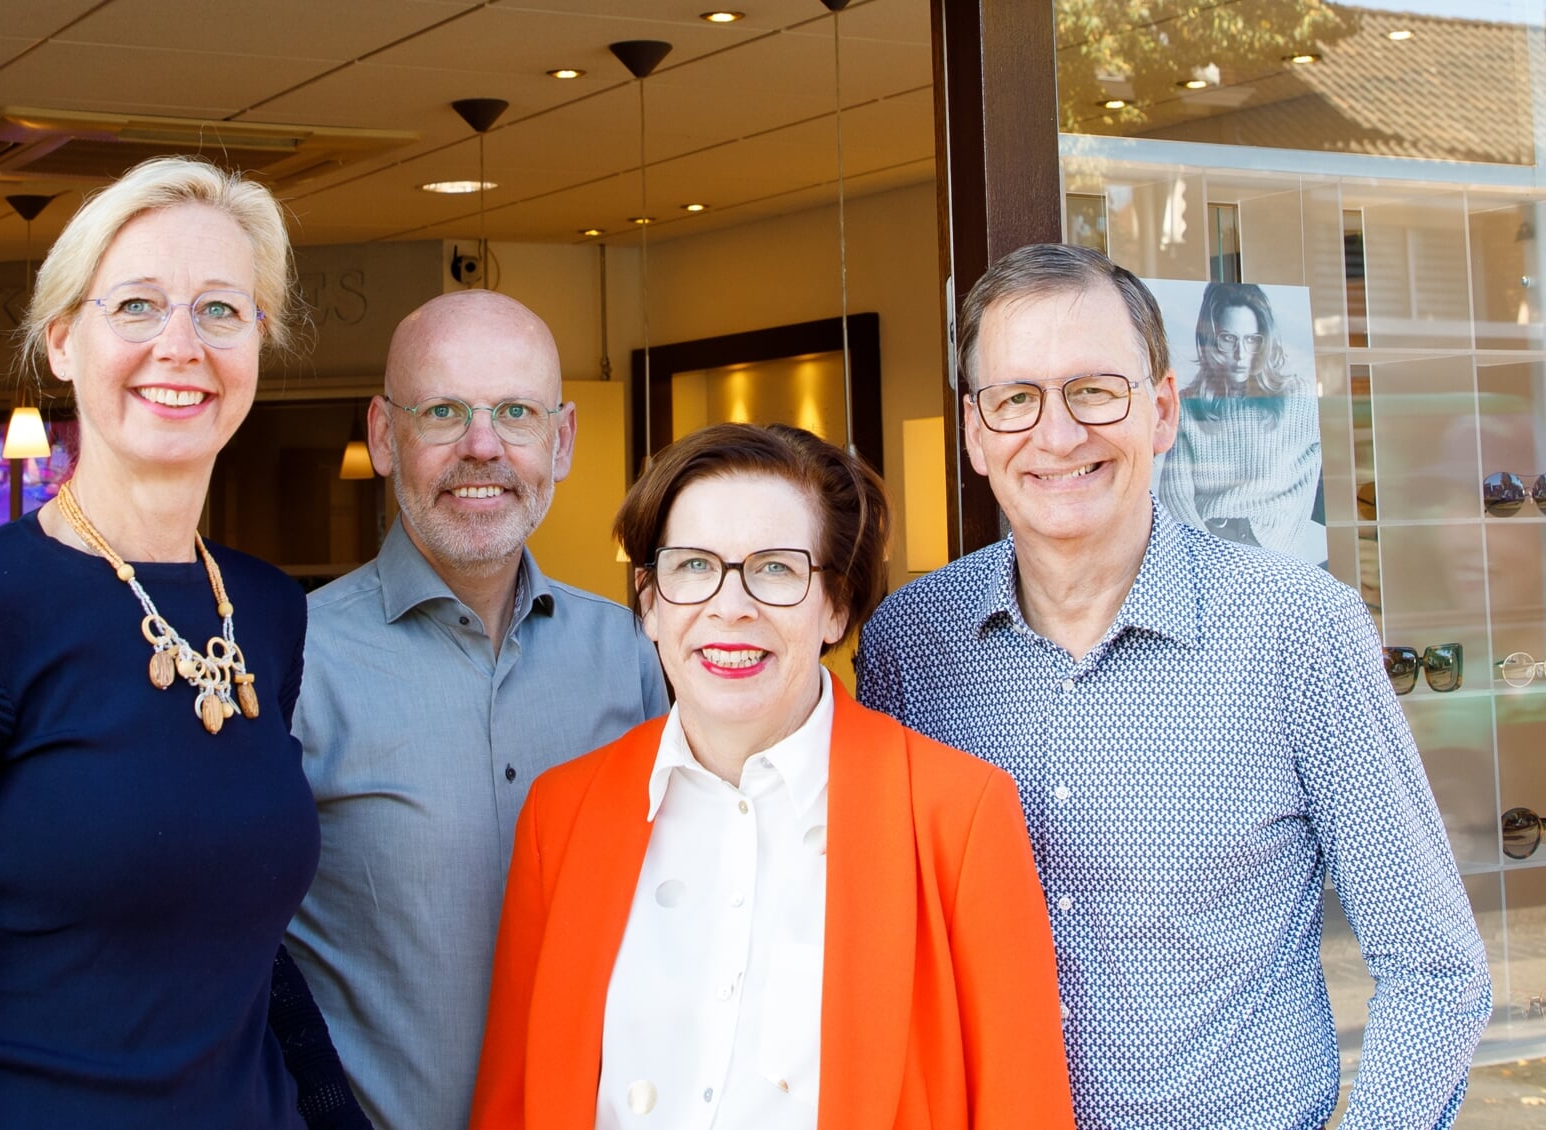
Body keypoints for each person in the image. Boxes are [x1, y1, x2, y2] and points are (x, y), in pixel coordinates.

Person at [858, 243, 1492, 1128]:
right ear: (974, 432)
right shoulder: (910, 649)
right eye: (1016, 400)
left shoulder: (1296, 630)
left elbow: (1433, 965)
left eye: (1095, 390)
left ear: (1161, 408)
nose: (1057, 434)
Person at [0, 157, 367, 1129]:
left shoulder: (268, 611)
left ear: (259, 342)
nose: (181, 345)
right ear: (64, 341)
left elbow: (242, 954)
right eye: (137, 306)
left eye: (222, 310)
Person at [470, 423, 1075, 1129]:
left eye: (777, 569)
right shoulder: (562, 813)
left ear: (837, 607)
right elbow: (512, 1104)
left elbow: (1022, 1106)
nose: (730, 607)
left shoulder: (958, 815)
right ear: (649, 601)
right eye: (693, 566)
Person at [288, 289, 670, 1130]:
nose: (483, 446)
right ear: (385, 437)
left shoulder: (636, 655)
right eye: (445, 411)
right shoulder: (295, 663)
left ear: (561, 440)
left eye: (515, 412)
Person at [1155, 280, 1326, 563]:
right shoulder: (1187, 406)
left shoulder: (1296, 397)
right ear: (1210, 341)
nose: (1240, 355)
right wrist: (1204, 559)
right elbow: (1176, 497)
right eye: (1228, 339)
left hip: (1270, 546)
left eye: (1252, 339)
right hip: (1208, 544)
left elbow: (1307, 480)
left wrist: (1280, 552)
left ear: (1264, 340)